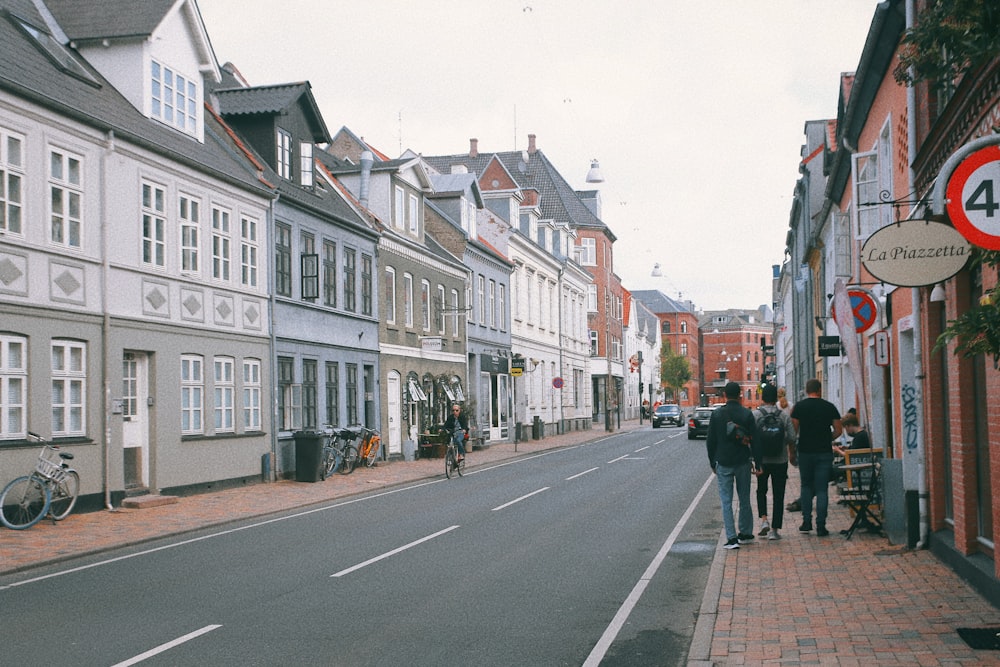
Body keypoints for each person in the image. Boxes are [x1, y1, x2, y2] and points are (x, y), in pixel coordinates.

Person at [706, 381, 756, 550]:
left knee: (726, 501)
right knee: (744, 498)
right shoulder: (747, 414)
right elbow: (755, 440)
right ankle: (746, 532)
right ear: (740, 394)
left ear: (725, 395)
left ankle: (732, 538)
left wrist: (713, 461)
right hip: (742, 461)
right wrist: (757, 461)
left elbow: (710, 440)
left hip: (724, 461)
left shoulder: (718, 415)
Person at [790, 378, 843, 537]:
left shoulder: (799, 407)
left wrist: (792, 452)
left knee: (806, 486)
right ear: (819, 390)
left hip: (805, 452)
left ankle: (806, 522)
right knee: (821, 489)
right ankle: (821, 525)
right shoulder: (829, 407)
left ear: (807, 391)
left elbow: (793, 432)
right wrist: (828, 438)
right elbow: (839, 430)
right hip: (824, 452)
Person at [751, 384, 797, 541]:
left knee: (761, 490)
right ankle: (775, 530)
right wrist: (781, 442)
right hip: (780, 459)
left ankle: (764, 520)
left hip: (762, 460)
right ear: (776, 398)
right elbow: (792, 437)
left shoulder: (756, 414)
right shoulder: (783, 415)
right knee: (779, 493)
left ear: (762, 398)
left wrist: (754, 458)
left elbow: (751, 438)